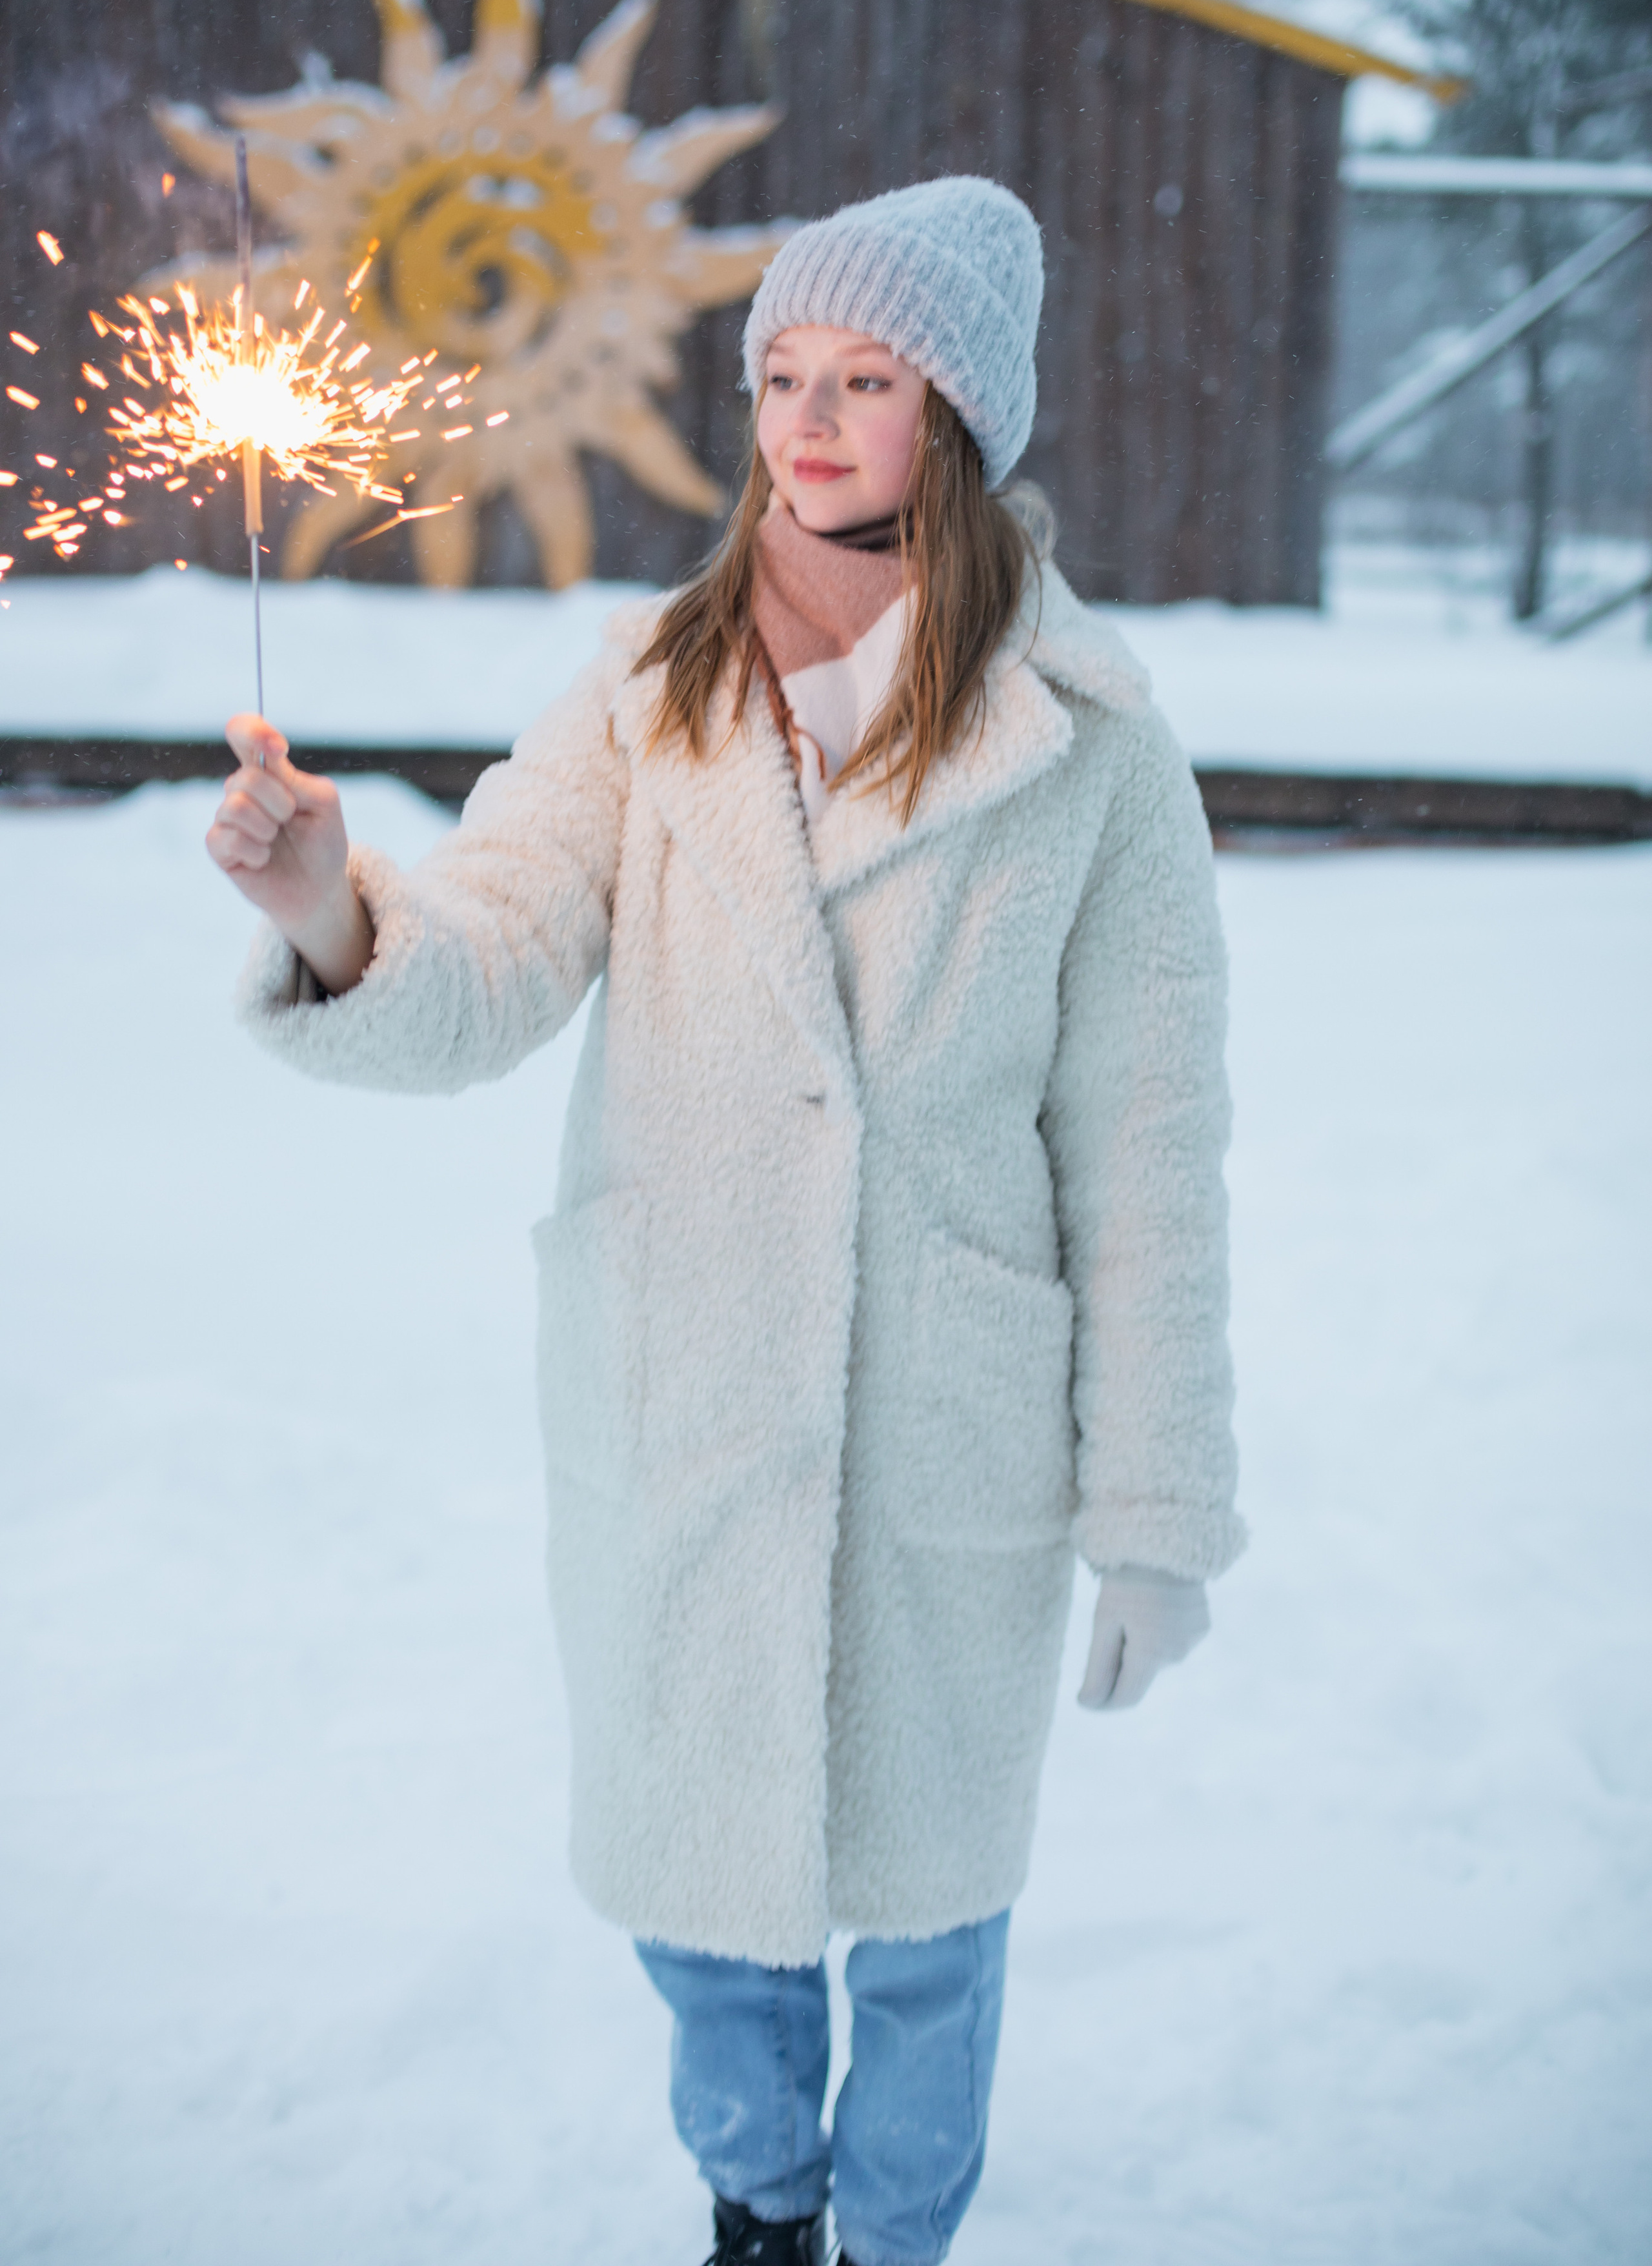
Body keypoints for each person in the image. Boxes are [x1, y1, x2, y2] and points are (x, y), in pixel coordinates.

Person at [207, 176, 1244, 2266]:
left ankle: (900, 2234)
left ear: (955, 415)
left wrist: (1158, 1507)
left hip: (946, 1419)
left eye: (864, 378)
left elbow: (1149, 1149)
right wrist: (331, 912)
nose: (809, 418)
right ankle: (757, 2209)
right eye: (781, 374)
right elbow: (491, 947)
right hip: (684, 1388)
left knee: (937, 1912)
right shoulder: (645, 696)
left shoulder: (1097, 749)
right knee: (710, 1889)